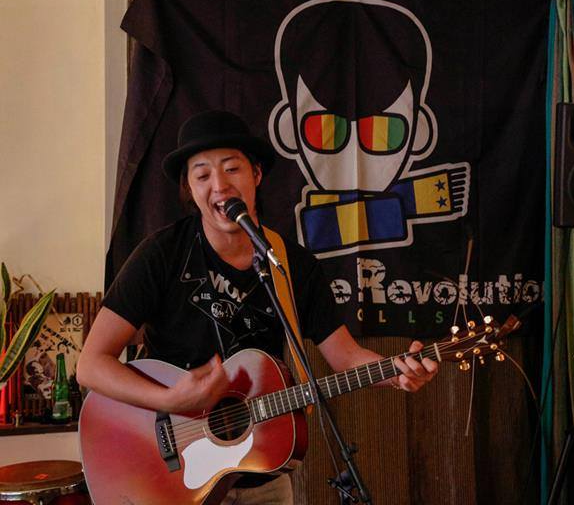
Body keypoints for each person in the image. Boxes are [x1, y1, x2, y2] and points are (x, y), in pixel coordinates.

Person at [77, 110, 438, 504]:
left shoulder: (289, 264)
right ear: (190, 189)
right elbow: (91, 365)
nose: (219, 185)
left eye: (232, 169)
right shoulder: (161, 255)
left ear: (257, 175)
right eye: (202, 175)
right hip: (171, 475)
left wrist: (396, 372)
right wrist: (171, 401)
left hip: (261, 474)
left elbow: (345, 356)